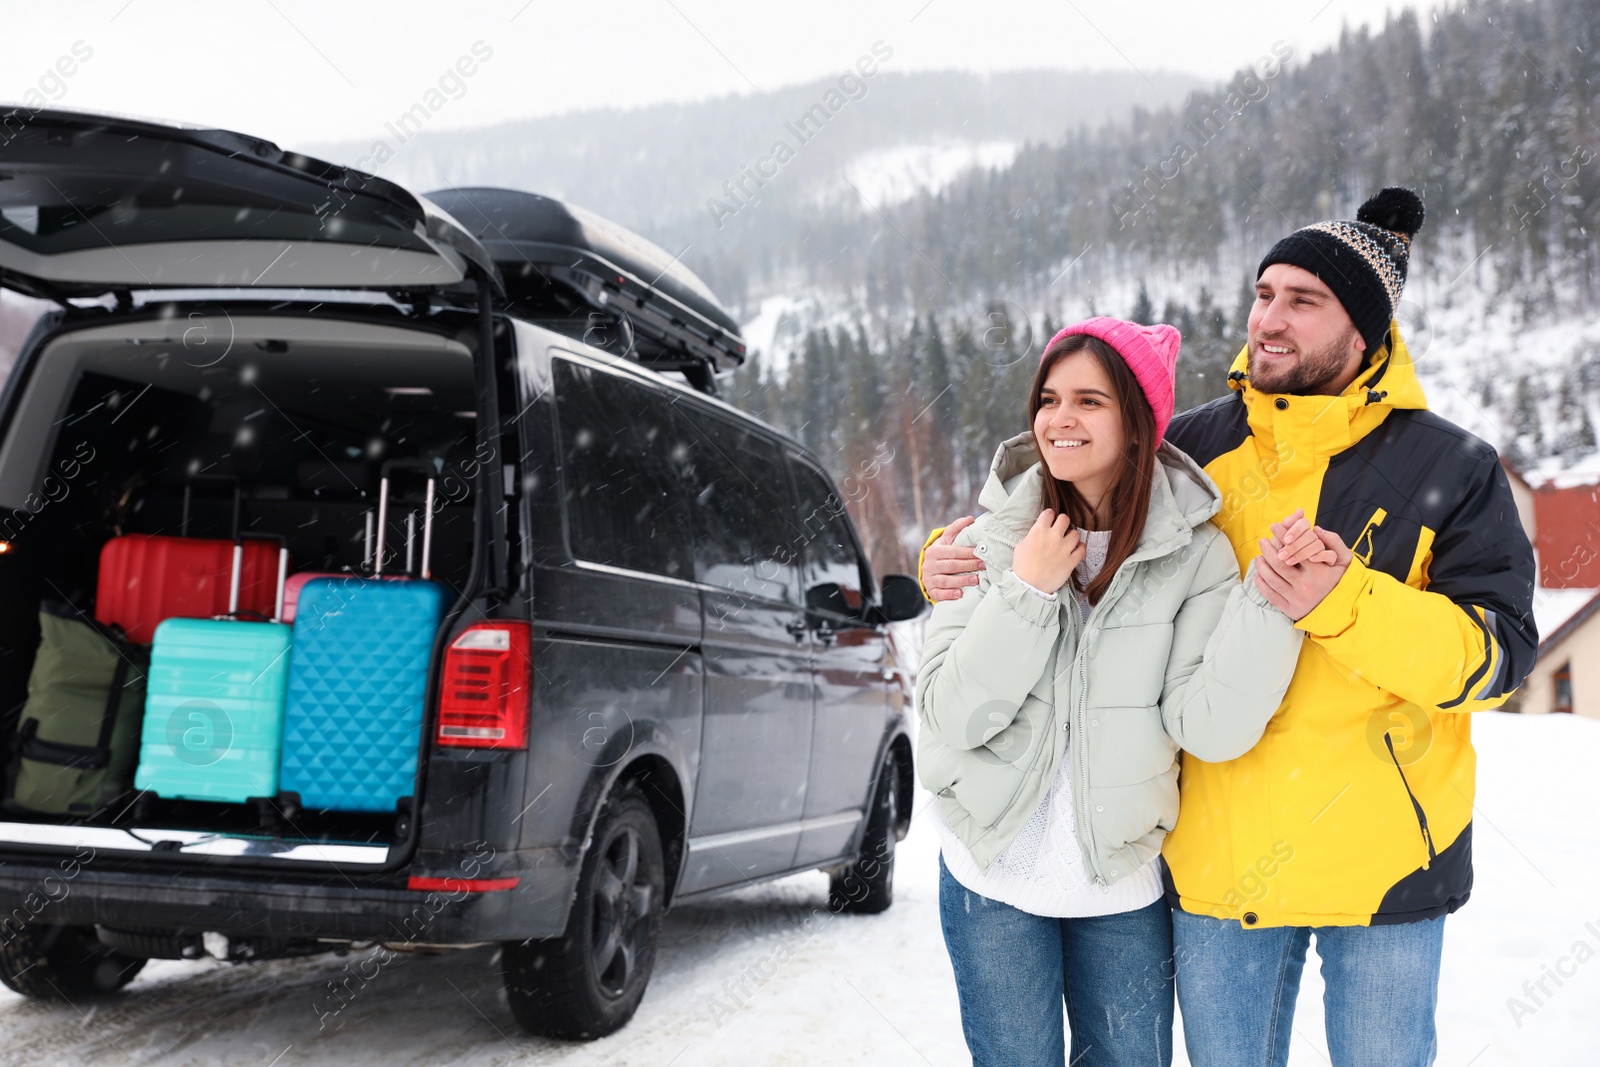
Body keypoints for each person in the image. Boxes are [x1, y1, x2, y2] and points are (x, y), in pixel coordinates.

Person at [919, 188, 1538, 1067]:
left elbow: (1500, 657)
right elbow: (1072, 474)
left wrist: (1343, 602)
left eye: (1302, 300)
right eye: (1262, 294)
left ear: (1363, 332)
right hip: (1223, 867)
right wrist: (946, 556)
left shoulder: (1452, 466)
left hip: (1385, 864)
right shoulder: (1191, 453)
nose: (1269, 319)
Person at [917, 317, 1319, 1067]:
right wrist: (1028, 592)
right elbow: (951, 712)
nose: (1059, 419)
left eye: (1089, 401)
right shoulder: (988, 541)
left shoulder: (1195, 555)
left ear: (1138, 422)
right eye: (1048, 397)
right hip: (990, 872)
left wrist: (1271, 605)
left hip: (1120, 886)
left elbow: (1206, 725)